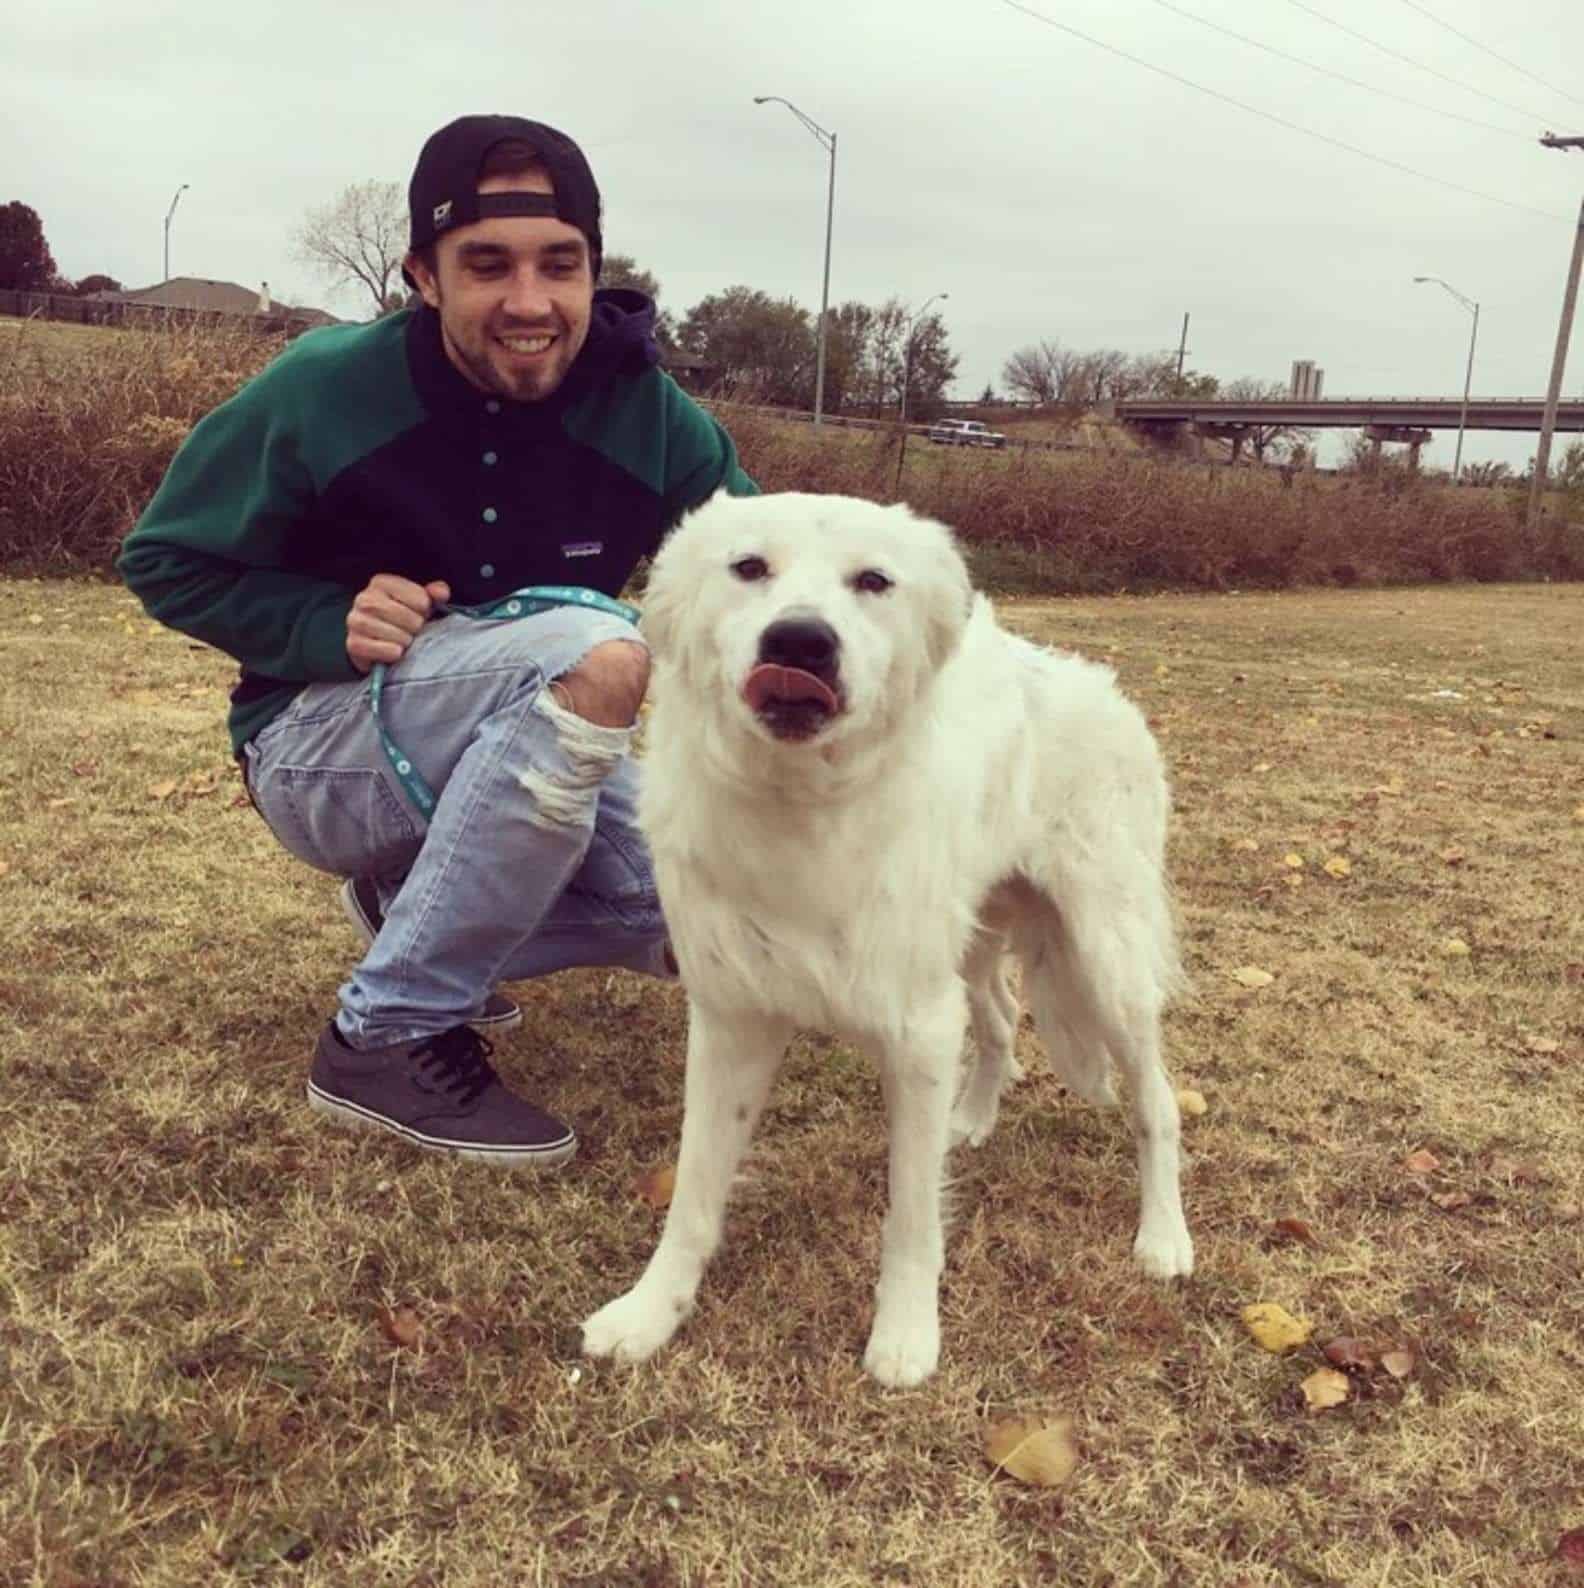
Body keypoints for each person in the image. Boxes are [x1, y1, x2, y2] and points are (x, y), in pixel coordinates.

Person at [118, 114, 757, 1169]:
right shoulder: (323, 386)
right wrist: (322, 622)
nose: (530, 301)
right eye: (487, 266)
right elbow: (164, 561)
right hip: (320, 746)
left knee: (722, 914)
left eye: (561, 265)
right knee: (595, 647)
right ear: (422, 274)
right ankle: (387, 1033)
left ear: (596, 269)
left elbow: (761, 571)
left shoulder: (648, 410)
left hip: (531, 741)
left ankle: (408, 908)